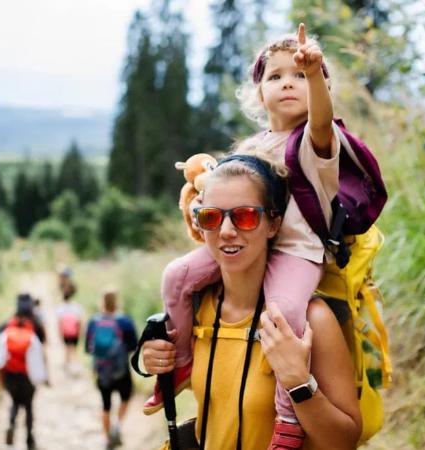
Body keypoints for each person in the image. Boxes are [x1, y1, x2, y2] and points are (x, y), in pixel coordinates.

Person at [147, 23, 345, 448]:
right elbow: (225, 194)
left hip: (296, 251)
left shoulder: (314, 142)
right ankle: (181, 362)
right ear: (259, 92)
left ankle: (288, 417)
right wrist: (157, 356)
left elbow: (322, 121)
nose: (288, 83)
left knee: (283, 312)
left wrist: (314, 74)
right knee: (176, 276)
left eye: (299, 76)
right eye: (276, 76)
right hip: (254, 242)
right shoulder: (252, 147)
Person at [142, 155, 361, 449]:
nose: (226, 231)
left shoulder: (312, 320)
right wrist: (158, 358)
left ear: (273, 224)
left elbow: (345, 441)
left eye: (245, 216)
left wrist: (298, 382)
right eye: (210, 217)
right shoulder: (198, 309)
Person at [0, 293, 49, 450]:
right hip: (28, 374)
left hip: (10, 374)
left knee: (15, 401)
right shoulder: (36, 325)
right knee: (28, 405)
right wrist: (44, 375)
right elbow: (42, 349)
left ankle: (11, 424)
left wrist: (0, 378)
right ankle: (29, 439)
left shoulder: (6, 325)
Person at [85, 289, 139, 449]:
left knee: (105, 405)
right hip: (121, 370)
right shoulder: (125, 321)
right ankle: (117, 426)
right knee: (126, 398)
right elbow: (134, 345)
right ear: (117, 301)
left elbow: (88, 348)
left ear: (101, 302)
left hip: (102, 371)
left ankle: (108, 439)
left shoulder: (94, 322)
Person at [55, 271, 83, 374]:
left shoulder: (60, 308)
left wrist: (59, 334)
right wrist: (81, 332)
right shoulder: (77, 307)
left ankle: (66, 366)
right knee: (74, 350)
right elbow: (80, 322)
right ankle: (76, 367)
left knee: (67, 349)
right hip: (75, 333)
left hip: (65, 333)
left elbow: (59, 323)